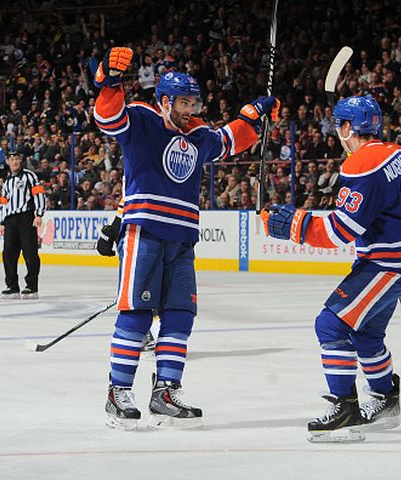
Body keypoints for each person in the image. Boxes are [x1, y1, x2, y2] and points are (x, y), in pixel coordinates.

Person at [93, 47, 279, 430]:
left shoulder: (197, 133)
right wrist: (110, 82)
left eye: (193, 101)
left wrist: (255, 115)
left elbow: (230, 139)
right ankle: (118, 392)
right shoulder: (143, 120)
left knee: (180, 314)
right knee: (138, 313)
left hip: (182, 238)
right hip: (144, 231)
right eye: (182, 101)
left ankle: (165, 391)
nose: (189, 108)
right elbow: (107, 117)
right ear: (164, 100)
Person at [262, 96, 401, 442]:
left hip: (390, 261)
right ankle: (385, 398)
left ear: (345, 128)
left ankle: (345, 407)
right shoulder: (395, 151)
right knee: (366, 333)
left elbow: (342, 230)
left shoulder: (362, 164)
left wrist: (293, 226)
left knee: (330, 324)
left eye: (338, 126)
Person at [0, 150, 46, 299]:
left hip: (26, 217)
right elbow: (4, 204)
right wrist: (2, 222)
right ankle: (12, 285)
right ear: (7, 161)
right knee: (8, 253)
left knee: (30, 253)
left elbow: (39, 194)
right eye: (11, 159)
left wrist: (39, 214)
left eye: (16, 159)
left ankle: (31, 286)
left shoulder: (29, 176)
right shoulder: (7, 181)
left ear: (20, 161)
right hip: (10, 220)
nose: (14, 162)